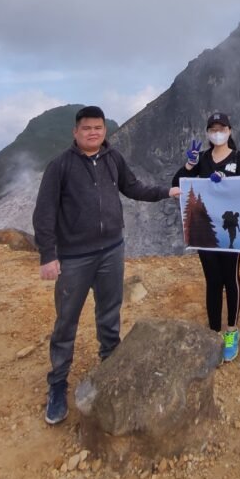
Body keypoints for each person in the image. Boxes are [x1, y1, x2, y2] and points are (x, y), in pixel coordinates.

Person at [32, 105, 171, 425]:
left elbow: (133, 188)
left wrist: (166, 191)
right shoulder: (60, 166)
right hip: (74, 257)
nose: (93, 132)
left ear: (104, 131)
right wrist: (48, 255)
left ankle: (110, 366)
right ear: (76, 132)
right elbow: (44, 212)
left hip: (111, 250)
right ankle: (57, 384)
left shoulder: (113, 159)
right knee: (66, 321)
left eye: (98, 127)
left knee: (109, 313)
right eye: (87, 128)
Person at [169, 112, 240, 362]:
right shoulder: (202, 159)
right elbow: (177, 185)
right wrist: (189, 166)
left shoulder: (238, 158)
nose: (217, 133)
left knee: (230, 278)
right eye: (213, 129)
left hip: (230, 229)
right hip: (205, 229)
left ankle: (231, 330)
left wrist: (225, 181)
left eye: (221, 128)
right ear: (207, 133)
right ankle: (213, 332)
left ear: (229, 131)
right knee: (213, 280)